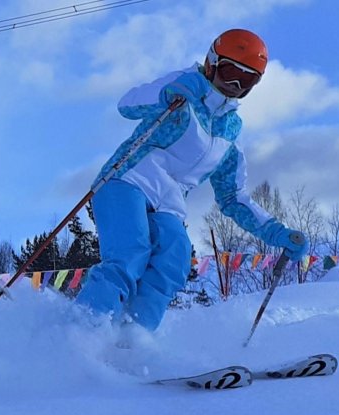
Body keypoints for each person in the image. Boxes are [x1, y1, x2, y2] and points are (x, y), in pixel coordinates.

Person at [75, 29, 309, 332]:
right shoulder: (184, 86)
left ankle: (131, 342)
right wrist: (167, 93)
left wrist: (277, 233)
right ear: (211, 63)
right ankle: (80, 331)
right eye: (229, 72)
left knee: (174, 261)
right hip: (128, 178)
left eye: (246, 80)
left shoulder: (230, 132)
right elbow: (128, 104)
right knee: (129, 254)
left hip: (169, 202)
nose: (234, 85)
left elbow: (233, 197)